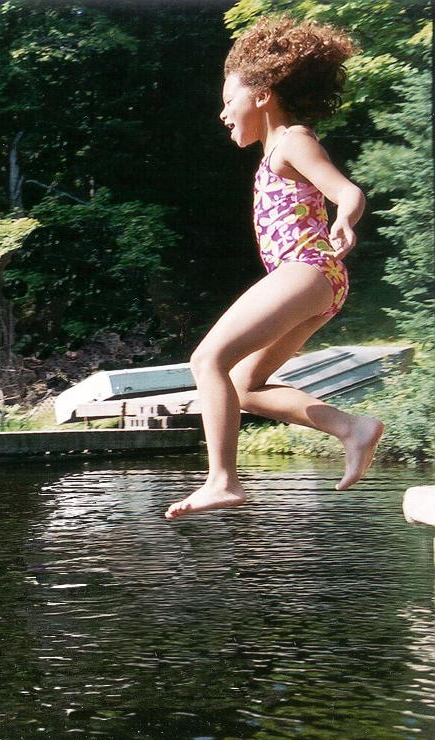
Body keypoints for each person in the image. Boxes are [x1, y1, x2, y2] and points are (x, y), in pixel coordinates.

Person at [166, 17, 384, 520]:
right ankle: (352, 427)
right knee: (243, 386)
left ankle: (222, 480)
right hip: (318, 283)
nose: (222, 113)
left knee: (207, 360)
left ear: (262, 93)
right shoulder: (274, 152)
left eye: (228, 100)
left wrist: (346, 220)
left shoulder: (292, 140)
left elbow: (347, 190)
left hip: (306, 269)